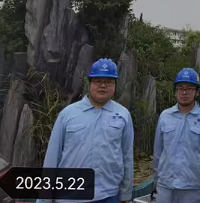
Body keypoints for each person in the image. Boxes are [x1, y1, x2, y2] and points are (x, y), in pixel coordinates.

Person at [38, 58, 134, 203]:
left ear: (115, 85)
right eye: (98, 81)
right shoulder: (68, 114)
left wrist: (126, 194)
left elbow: (127, 155)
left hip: (108, 194)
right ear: (90, 83)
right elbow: (52, 156)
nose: (103, 85)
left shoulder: (123, 115)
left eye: (108, 82)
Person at [153, 68, 200, 203]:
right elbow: (158, 151)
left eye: (189, 88)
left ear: (197, 92)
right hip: (166, 184)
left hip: (192, 186)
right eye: (180, 88)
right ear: (176, 91)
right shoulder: (165, 116)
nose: (184, 92)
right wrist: (156, 179)